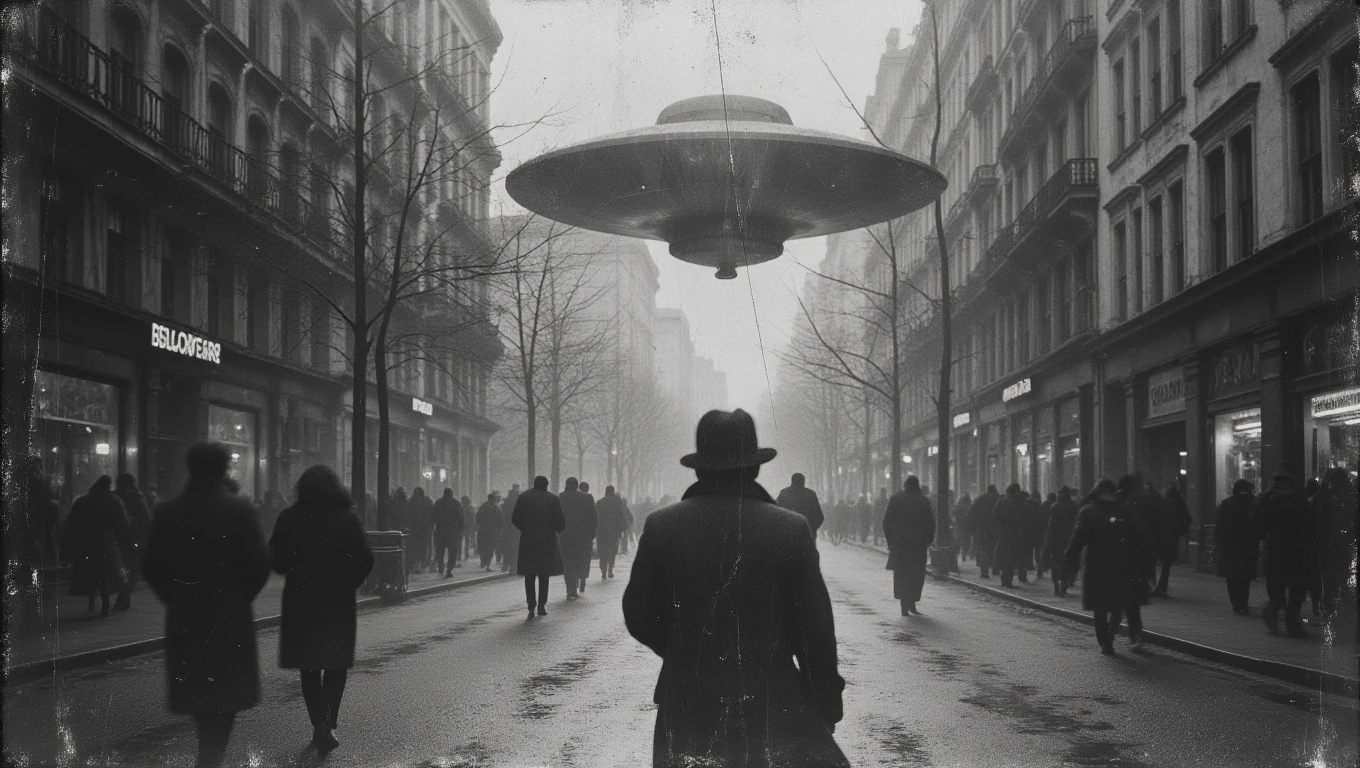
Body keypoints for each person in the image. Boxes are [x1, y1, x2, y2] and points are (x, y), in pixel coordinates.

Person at [623, 409, 848, 767]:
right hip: (771, 698)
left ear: (698, 468)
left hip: (687, 704)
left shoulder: (662, 525)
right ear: (756, 467)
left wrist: (686, 651)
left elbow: (638, 614)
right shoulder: (790, 529)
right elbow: (816, 629)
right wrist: (825, 701)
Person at [142, 443, 271, 768]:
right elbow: (259, 565)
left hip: (187, 618)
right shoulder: (240, 510)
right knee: (226, 697)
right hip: (229, 617)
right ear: (224, 469)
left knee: (200, 694)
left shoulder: (168, 512)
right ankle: (211, 757)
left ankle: (208, 753)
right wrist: (239, 597)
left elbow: (151, 565)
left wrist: (176, 597)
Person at [269, 465, 374, 753]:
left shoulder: (289, 518)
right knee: (336, 665)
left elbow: (276, 561)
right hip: (336, 600)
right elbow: (365, 558)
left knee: (310, 667)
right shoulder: (346, 519)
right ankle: (326, 725)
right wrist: (347, 582)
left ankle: (320, 724)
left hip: (301, 601)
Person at [1064, 478, 1152, 655]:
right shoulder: (1125, 509)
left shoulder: (1088, 511)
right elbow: (1140, 538)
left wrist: (1069, 560)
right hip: (1124, 565)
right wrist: (1145, 563)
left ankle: (1106, 641)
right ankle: (1123, 635)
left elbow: (1077, 539)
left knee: (1101, 606)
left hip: (1098, 566)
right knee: (1122, 603)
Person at [1252, 464, 1315, 637]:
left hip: (1275, 548)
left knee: (1277, 589)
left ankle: (1272, 617)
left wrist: (1264, 540)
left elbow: (1258, 523)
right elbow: (1309, 526)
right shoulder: (1299, 499)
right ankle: (1293, 625)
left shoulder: (1266, 498)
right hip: (1297, 549)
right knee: (1296, 590)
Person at [61, 475, 131, 617]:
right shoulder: (113, 501)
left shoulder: (82, 501)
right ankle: (105, 606)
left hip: (86, 544)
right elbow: (122, 523)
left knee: (90, 573)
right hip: (105, 543)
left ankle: (91, 602)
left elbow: (71, 524)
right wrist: (124, 541)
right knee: (105, 575)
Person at [882, 475, 937, 616]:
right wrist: (928, 540)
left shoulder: (896, 499)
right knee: (916, 574)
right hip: (918, 544)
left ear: (905, 485)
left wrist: (890, 541)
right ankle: (912, 602)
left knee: (901, 573)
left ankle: (903, 604)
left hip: (900, 543)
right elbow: (931, 522)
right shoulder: (923, 500)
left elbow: (886, 521)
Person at [513, 476, 565, 617]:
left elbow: (515, 518)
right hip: (546, 541)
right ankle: (542, 604)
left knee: (529, 575)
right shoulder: (553, 499)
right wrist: (555, 529)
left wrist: (525, 528)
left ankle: (531, 605)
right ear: (546, 485)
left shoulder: (523, 498)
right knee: (544, 574)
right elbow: (560, 523)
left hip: (528, 540)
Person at [1313, 468, 1356, 625]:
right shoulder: (1350, 496)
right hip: (1341, 543)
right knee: (1339, 574)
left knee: (1328, 575)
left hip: (1327, 543)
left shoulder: (1323, 496)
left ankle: (1330, 605)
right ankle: (1335, 605)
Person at [1214, 479, 1258, 614]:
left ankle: (1236, 604)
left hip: (1230, 546)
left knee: (1232, 577)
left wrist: (1219, 543)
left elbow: (1220, 526)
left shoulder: (1227, 503)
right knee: (1244, 578)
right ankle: (1243, 603)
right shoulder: (1252, 503)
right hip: (1247, 546)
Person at [114, 472, 151, 607]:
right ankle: (126, 588)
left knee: (122, 562)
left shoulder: (115, 495)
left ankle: (124, 589)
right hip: (134, 534)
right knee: (131, 561)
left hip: (118, 534)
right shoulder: (138, 496)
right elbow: (146, 516)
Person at [558, 477, 597, 599]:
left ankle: (570, 587)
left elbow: (556, 517)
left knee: (567, 561)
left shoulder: (560, 497)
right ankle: (578, 582)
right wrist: (591, 534)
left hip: (565, 536)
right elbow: (594, 518)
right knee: (580, 560)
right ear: (577, 485)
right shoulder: (587, 498)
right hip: (583, 537)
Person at [1155, 484, 1192, 596]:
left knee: (1163, 563)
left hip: (1162, 537)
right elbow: (1187, 519)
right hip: (1172, 537)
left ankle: (1160, 586)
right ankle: (1162, 586)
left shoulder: (1163, 504)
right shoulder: (1179, 504)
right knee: (1167, 564)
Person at [1041, 487, 1078, 596]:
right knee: (1066, 563)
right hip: (1068, 539)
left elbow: (1051, 525)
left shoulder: (1055, 507)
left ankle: (1056, 585)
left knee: (1056, 564)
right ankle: (1064, 586)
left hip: (1056, 540)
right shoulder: (1074, 507)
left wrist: (1047, 538)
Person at [989, 484, 1028, 588]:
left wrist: (996, 529)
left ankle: (1005, 580)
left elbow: (994, 518)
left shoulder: (1001, 502)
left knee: (1005, 557)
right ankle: (1008, 580)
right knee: (1011, 558)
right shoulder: (1019, 503)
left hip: (1004, 534)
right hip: (1015, 534)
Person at [968, 485, 1000, 578]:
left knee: (985, 550)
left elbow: (970, 512)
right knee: (994, 549)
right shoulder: (997, 499)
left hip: (982, 529)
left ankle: (984, 572)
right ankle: (995, 568)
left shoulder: (979, 499)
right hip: (994, 528)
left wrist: (973, 526)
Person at [431, 488, 463, 575]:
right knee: (452, 552)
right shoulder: (456, 503)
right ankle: (449, 569)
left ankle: (440, 566)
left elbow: (433, 516)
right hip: (452, 531)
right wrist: (460, 530)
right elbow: (460, 517)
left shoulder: (438, 502)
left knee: (440, 551)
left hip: (440, 530)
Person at [596, 485, 626, 579]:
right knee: (612, 551)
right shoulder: (618, 502)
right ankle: (610, 570)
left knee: (602, 551)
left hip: (601, 531)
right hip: (614, 531)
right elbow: (621, 517)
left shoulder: (599, 502)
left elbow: (595, 517)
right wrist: (621, 530)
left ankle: (603, 571)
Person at [406, 487, 433, 573]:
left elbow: (408, 514)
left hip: (414, 528)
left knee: (415, 546)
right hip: (424, 528)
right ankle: (422, 564)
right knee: (423, 546)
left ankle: (416, 564)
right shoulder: (427, 501)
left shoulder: (411, 501)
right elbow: (431, 514)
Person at [476, 493, 502, 571]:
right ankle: (486, 564)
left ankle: (485, 563)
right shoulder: (495, 508)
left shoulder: (483, 507)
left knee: (485, 548)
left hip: (484, 531)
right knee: (488, 548)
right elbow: (500, 520)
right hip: (490, 531)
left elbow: (477, 518)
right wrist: (499, 528)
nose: (494, 501)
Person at [500, 487, 521, 573]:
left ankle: (505, 565)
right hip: (516, 530)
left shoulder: (504, 505)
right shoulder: (518, 504)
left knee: (507, 548)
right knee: (515, 548)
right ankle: (513, 566)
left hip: (506, 529)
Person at [952, 492, 972, 561]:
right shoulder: (969, 505)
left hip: (959, 526)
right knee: (966, 541)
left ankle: (959, 554)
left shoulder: (958, 506)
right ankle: (964, 553)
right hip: (966, 525)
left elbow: (954, 514)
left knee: (959, 540)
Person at [460, 495, 476, 561]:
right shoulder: (471, 508)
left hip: (461, 526)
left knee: (460, 541)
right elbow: (473, 518)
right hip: (468, 526)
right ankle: (466, 555)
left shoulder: (460, 508)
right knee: (467, 541)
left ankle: (459, 554)